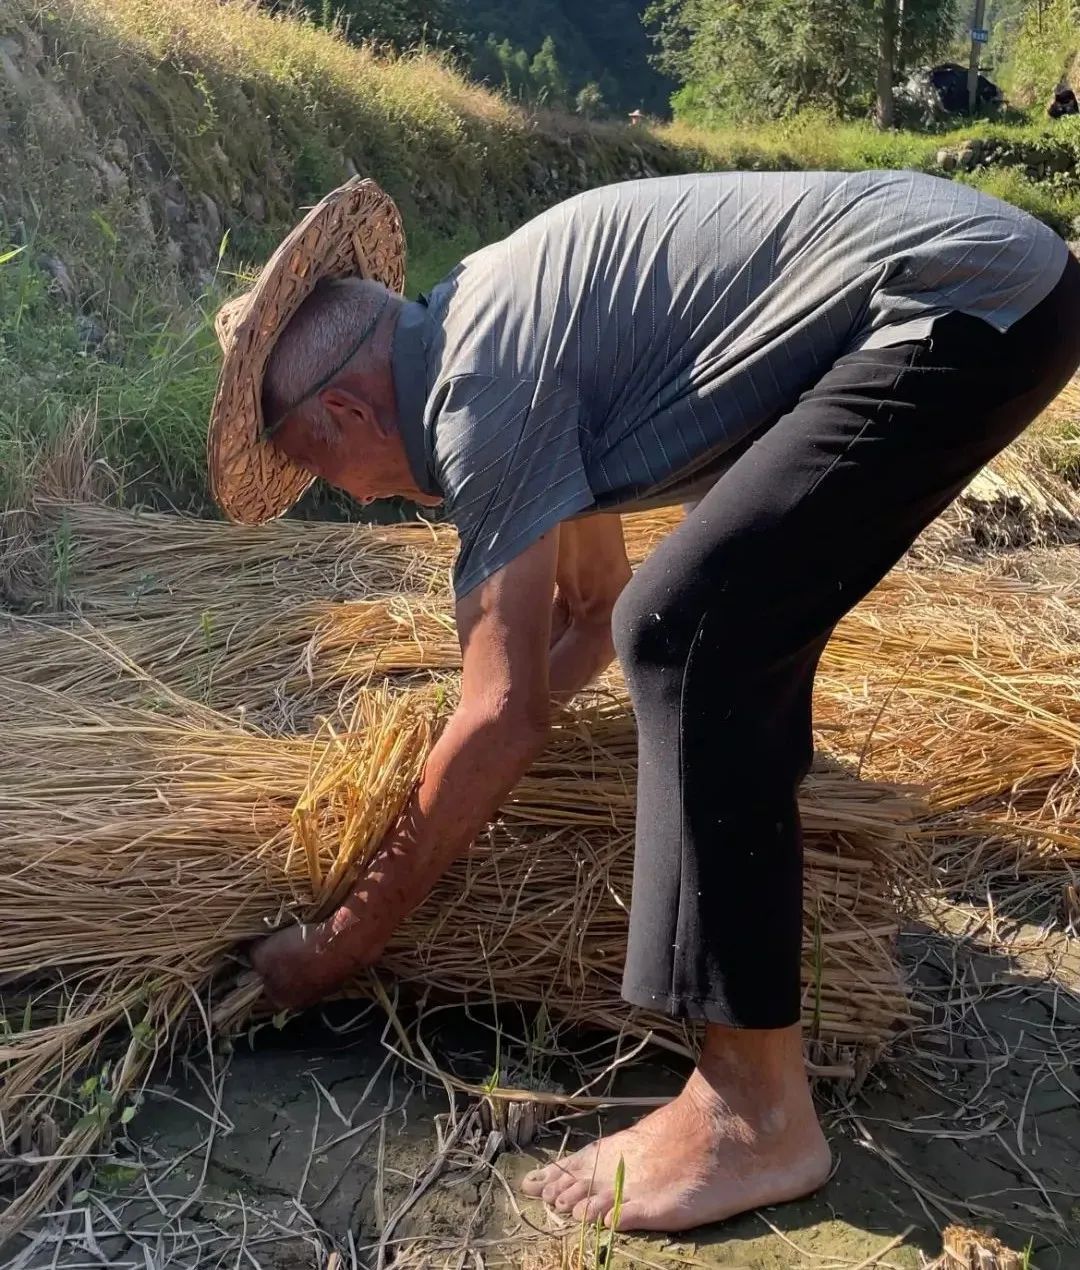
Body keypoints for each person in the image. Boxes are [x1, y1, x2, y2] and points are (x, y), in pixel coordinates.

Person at [207, 170, 1080, 1234]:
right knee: (705, 623)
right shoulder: (485, 311)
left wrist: (342, 939)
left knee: (691, 632)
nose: (341, 494)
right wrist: (497, 747)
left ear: (343, 411)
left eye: (316, 466)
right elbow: (588, 609)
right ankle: (752, 971)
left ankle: (755, 1111)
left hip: (952, 305)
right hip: (987, 286)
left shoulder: (479, 390)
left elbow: (506, 708)